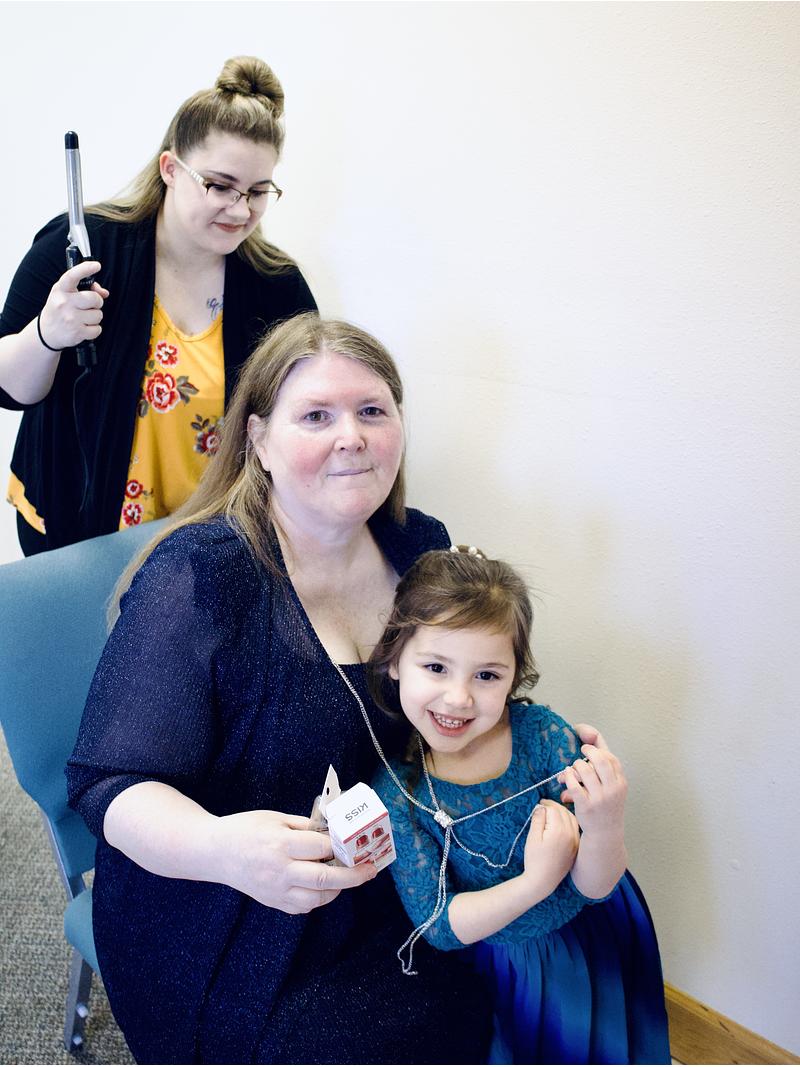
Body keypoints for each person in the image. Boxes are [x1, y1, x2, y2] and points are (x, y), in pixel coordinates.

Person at [67, 314, 498, 1064]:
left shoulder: (419, 546)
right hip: (220, 902)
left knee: (503, 973)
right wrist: (222, 849)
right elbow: (109, 786)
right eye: (316, 416)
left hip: (384, 861)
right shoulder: (201, 576)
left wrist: (515, 738)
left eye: (372, 410)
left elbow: (446, 698)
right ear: (259, 440)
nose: (351, 436)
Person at [0, 55, 316, 555]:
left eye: (258, 192)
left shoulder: (277, 286)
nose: (240, 209)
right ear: (171, 169)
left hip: (206, 546)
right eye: (219, 186)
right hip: (77, 536)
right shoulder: (82, 247)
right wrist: (46, 335)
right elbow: (10, 390)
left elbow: (304, 414)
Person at [369, 547, 671, 1064]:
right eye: (436, 667)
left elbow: (597, 887)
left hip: (592, 933)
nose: (459, 697)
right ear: (395, 660)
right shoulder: (399, 794)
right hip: (510, 968)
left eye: (487, 675)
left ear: (514, 676)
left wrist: (605, 821)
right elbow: (437, 924)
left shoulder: (544, 738)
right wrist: (535, 881)